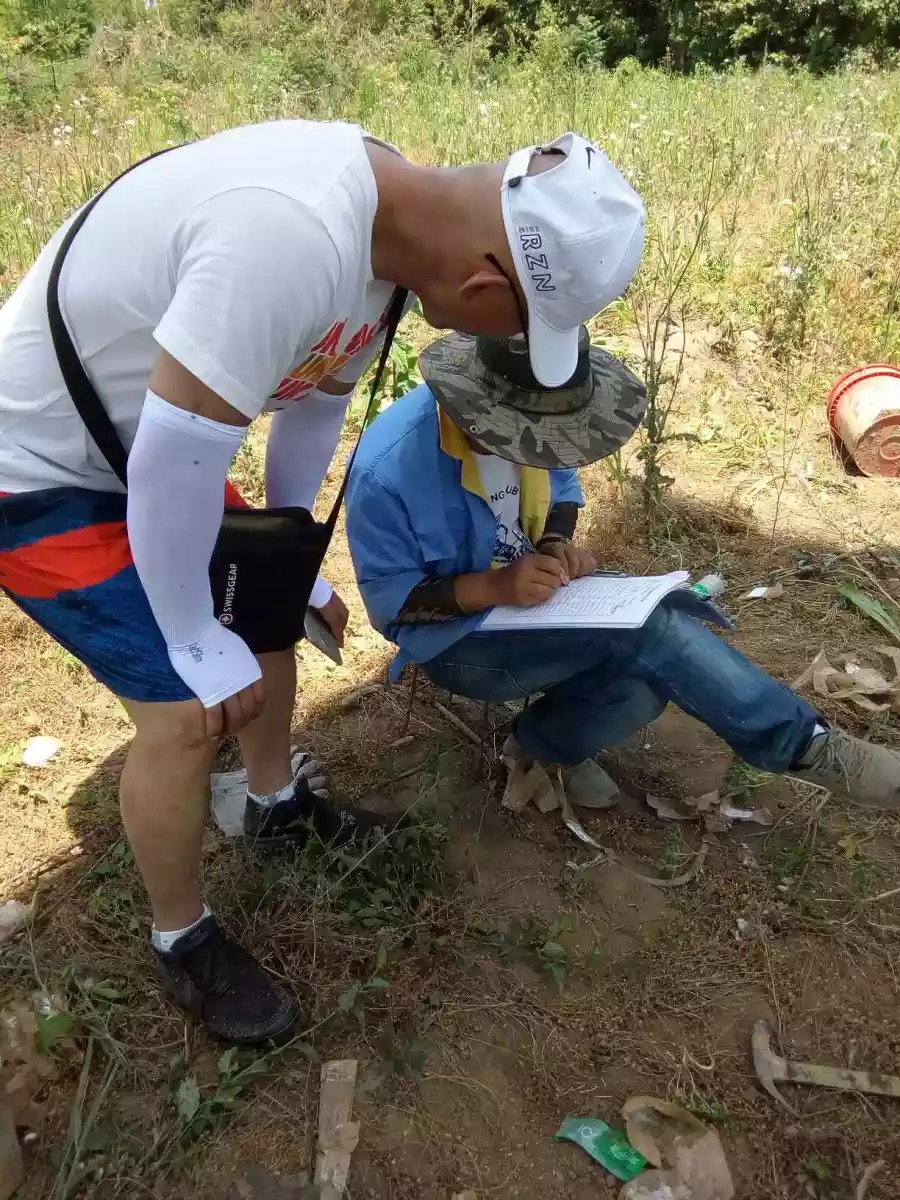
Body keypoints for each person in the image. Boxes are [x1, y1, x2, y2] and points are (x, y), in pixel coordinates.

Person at [0, 122, 646, 1044]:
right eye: (520, 329)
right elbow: (172, 465)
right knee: (185, 710)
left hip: (150, 443)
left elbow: (313, 404)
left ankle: (270, 805)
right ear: (483, 287)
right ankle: (182, 936)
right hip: (40, 467)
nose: (500, 344)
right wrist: (192, 636)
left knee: (268, 605)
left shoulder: (391, 238)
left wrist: (287, 546)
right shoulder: (289, 236)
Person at [346, 327, 900, 819]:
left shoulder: (542, 414)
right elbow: (393, 608)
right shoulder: (386, 470)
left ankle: (538, 746)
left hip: (539, 605)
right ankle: (805, 745)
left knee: (641, 690)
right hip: (459, 640)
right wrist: (496, 585)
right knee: (652, 632)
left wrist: (556, 544)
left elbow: (563, 491)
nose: (539, 448)